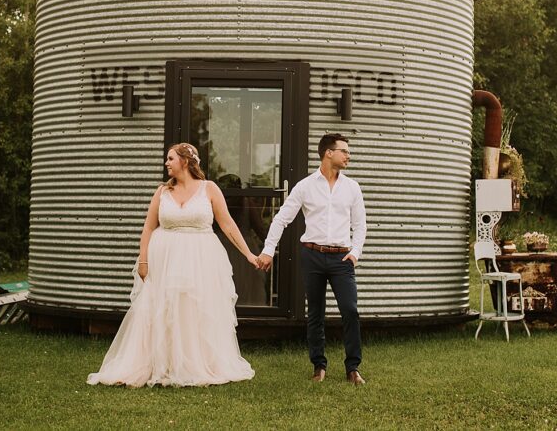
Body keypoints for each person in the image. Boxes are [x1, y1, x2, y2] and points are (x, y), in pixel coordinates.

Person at [87, 143, 257, 387]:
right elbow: (148, 227)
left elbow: (228, 225)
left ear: (185, 162)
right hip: (164, 258)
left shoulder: (209, 189)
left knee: (192, 310)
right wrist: (143, 260)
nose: (166, 163)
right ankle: (159, 362)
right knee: (161, 309)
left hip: (200, 259)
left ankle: (192, 363)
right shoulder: (162, 192)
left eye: (170, 158)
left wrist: (249, 254)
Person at [257, 133, 367, 385]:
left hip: (342, 259)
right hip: (312, 255)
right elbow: (281, 219)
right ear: (328, 153)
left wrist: (355, 252)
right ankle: (319, 367)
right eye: (344, 151)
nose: (348, 156)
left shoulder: (352, 187)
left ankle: (353, 368)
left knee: (350, 310)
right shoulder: (305, 186)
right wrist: (268, 250)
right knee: (315, 313)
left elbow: (360, 225)